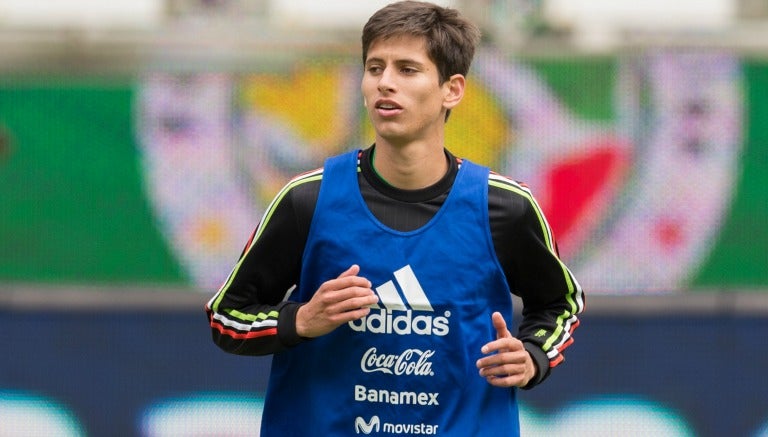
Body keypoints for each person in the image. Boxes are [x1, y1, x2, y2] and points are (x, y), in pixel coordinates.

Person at [206, 1, 584, 435]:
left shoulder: (506, 207)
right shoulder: (307, 200)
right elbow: (226, 317)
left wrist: (534, 356)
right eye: (374, 68)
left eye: (407, 69)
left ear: (452, 89)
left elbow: (561, 305)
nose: (385, 83)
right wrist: (301, 320)